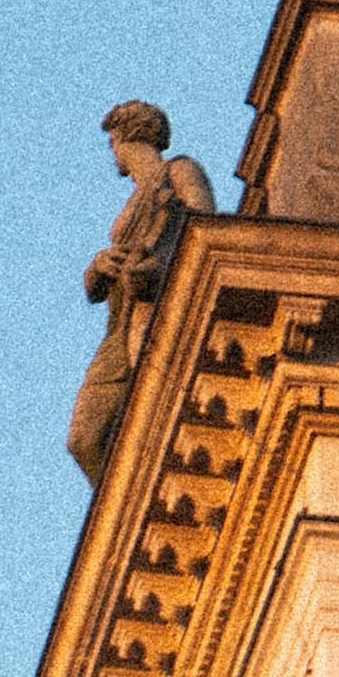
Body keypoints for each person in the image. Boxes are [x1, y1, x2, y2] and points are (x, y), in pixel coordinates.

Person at [68, 99, 215, 481]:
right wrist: (99, 265)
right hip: (119, 323)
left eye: (112, 142)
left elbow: (206, 235)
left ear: (124, 137)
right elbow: (93, 288)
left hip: (155, 305)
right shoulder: (132, 202)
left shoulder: (178, 171)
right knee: (84, 439)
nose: (112, 153)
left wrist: (157, 264)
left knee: (158, 410)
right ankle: (127, 509)